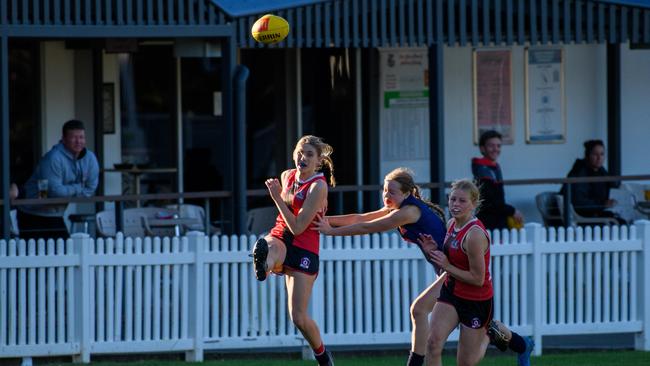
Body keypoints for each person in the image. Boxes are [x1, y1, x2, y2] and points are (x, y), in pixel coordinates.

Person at [314, 168, 532, 366]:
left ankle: (489, 334)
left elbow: (367, 227)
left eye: (392, 192)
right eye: (384, 190)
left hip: (462, 280)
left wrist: (330, 231)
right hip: (450, 278)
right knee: (428, 332)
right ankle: (489, 333)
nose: (386, 196)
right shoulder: (416, 212)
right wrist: (321, 220)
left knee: (450, 341)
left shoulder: (408, 212)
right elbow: (359, 217)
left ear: (407, 193)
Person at [423, 179, 534, 366]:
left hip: (476, 300)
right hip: (451, 293)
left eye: (462, 201)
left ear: (474, 204)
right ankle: (491, 329)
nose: (455, 204)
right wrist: (431, 252)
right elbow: (443, 267)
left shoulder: (474, 235)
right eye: (452, 199)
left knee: (466, 363)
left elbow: (477, 279)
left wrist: (448, 266)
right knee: (432, 344)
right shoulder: (451, 224)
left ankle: (498, 336)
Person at [251, 135, 336, 366]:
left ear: (318, 162)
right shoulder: (287, 176)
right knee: (268, 246)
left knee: (297, 316)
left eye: (309, 154)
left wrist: (278, 198)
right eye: (300, 152)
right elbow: (287, 222)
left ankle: (323, 356)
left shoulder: (318, 186)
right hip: (281, 236)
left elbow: (298, 227)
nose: (303, 157)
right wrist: (282, 196)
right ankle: (264, 264)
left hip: (304, 246)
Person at [17, 119, 99, 239]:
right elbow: (55, 191)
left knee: (64, 252)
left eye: (81, 137)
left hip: (56, 213)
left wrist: (68, 193)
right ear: (64, 139)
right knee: (36, 255)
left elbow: (91, 189)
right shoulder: (53, 158)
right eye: (74, 137)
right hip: (32, 213)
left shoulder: (90, 158)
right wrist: (78, 187)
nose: (78, 141)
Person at [560, 139, 624, 224]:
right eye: (595, 154)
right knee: (619, 223)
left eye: (602, 154)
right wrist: (602, 204)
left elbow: (612, 188)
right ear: (587, 155)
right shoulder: (579, 173)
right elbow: (579, 202)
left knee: (626, 220)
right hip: (584, 217)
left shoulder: (601, 171)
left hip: (597, 213)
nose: (599, 158)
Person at [471, 130, 523, 231]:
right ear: (482, 148)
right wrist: (512, 211)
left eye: (498, 146)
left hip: (498, 221)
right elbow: (490, 203)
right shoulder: (482, 170)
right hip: (488, 223)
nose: (496, 149)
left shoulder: (494, 167)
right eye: (491, 146)